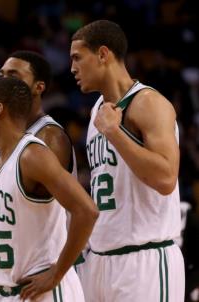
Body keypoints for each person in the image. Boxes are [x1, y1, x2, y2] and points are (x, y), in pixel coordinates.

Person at [70, 19, 185, 301]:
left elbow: (166, 178)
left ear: (103, 54)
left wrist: (114, 131)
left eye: (77, 57)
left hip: (144, 261)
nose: (72, 68)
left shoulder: (148, 103)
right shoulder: (98, 110)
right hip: (100, 259)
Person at [0, 76, 98, 301]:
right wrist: (0, 280)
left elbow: (87, 211)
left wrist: (57, 273)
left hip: (43, 292)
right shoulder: (0, 158)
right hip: (12, 291)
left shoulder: (32, 155)